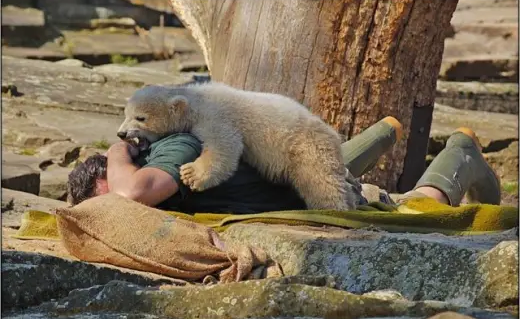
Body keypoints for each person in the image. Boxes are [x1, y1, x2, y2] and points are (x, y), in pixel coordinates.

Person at [67, 116, 501, 214]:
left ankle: (460, 154)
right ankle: (382, 134)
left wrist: (116, 151)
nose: (121, 212)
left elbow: (133, 192)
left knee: (417, 207)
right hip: (293, 172)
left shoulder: (171, 150)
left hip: (337, 199)